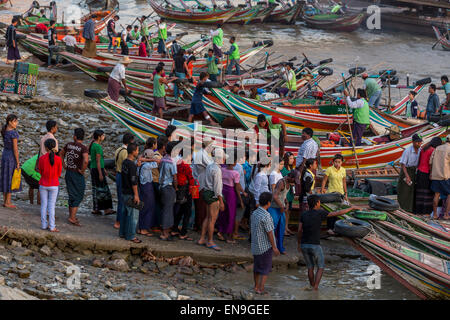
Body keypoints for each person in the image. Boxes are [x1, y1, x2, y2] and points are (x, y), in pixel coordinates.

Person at [298, 195, 356, 290]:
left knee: (310, 267)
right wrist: (351, 208)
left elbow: (299, 230)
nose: (320, 204)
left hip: (304, 244)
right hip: (315, 245)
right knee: (320, 267)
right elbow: (338, 213)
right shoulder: (320, 213)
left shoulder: (303, 214)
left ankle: (311, 285)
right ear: (317, 203)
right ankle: (315, 288)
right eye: (319, 202)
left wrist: (298, 244)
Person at [251, 191, 281, 296]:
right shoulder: (266, 215)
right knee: (265, 269)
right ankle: (261, 288)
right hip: (265, 246)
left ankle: (255, 286)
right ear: (268, 203)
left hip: (255, 246)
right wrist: (274, 247)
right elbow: (270, 233)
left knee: (257, 267)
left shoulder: (254, 213)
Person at [198, 148, 226, 251]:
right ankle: (210, 241)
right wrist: (221, 201)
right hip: (213, 195)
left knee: (207, 217)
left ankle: (202, 238)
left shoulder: (210, 165)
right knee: (212, 220)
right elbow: (217, 188)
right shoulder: (217, 169)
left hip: (207, 192)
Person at [60, 128, 89, 226]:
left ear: (75, 136)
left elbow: (61, 154)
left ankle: (71, 215)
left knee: (71, 193)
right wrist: (82, 170)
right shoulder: (83, 148)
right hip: (77, 173)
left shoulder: (69, 145)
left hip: (69, 172)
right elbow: (85, 160)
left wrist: (64, 165)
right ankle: (72, 217)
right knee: (79, 194)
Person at [268, 171, 298, 255]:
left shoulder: (288, 183)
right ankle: (271, 248)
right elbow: (275, 196)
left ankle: (280, 247)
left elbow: (283, 195)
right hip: (274, 208)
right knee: (272, 229)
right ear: (290, 177)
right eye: (294, 180)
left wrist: (286, 202)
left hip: (281, 209)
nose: (294, 182)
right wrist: (282, 206)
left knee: (281, 229)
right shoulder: (281, 182)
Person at [217, 157, 244, 243]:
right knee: (231, 214)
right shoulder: (235, 173)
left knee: (223, 212)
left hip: (223, 190)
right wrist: (241, 200)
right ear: (234, 163)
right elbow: (237, 188)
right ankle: (229, 236)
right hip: (231, 193)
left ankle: (221, 231)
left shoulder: (222, 170)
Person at [172, 143, 195, 241]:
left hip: (179, 189)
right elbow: (191, 180)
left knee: (180, 210)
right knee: (187, 212)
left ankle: (174, 229)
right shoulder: (187, 166)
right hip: (186, 190)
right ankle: (183, 233)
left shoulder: (178, 163)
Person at [119, 143, 142, 243]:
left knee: (124, 213)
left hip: (124, 191)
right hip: (131, 193)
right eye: (137, 150)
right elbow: (134, 182)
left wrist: (136, 166)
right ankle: (131, 235)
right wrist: (136, 195)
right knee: (133, 215)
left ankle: (123, 232)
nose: (138, 152)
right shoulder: (132, 165)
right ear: (133, 152)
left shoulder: (125, 162)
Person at [89, 129, 115, 215]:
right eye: (103, 135)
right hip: (97, 169)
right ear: (99, 137)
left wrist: (104, 169)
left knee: (96, 189)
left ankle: (96, 209)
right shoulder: (98, 147)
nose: (104, 137)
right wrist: (101, 172)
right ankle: (106, 209)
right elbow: (98, 161)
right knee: (103, 189)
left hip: (94, 169)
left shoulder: (93, 145)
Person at [38, 139, 62, 232]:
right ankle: (52, 226)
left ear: (46, 147)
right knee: (51, 206)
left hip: (43, 183)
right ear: (55, 147)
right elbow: (59, 174)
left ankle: (44, 225)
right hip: (54, 184)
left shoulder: (42, 158)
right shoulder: (58, 159)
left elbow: (40, 171)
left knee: (43, 205)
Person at [415, 137, 442, 215]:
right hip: (427, 173)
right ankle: (426, 212)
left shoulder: (424, 148)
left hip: (420, 172)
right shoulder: (433, 150)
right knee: (428, 193)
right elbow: (431, 163)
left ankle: (418, 211)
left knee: (420, 193)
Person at [113, 133, 135, 229]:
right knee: (123, 200)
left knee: (120, 199)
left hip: (118, 174)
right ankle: (119, 221)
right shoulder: (126, 152)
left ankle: (119, 220)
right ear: (130, 141)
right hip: (122, 176)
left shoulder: (118, 149)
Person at [192, 136, 214, 232]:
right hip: (201, 182)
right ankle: (200, 226)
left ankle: (199, 225)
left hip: (202, 181)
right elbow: (211, 167)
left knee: (202, 207)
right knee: (201, 207)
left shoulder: (203, 153)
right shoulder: (201, 154)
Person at [158, 141, 178, 240]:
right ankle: (165, 233)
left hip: (161, 186)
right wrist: (176, 188)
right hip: (168, 187)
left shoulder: (163, 159)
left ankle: (164, 230)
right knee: (168, 210)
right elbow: (174, 178)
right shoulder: (172, 162)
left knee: (164, 209)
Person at [398, 134, 422, 213]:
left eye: (420, 142)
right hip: (406, 171)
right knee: (404, 191)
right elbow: (403, 164)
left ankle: (410, 209)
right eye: (417, 142)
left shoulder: (420, 150)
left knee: (411, 191)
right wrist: (407, 176)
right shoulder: (407, 151)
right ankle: (402, 209)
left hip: (413, 171)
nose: (419, 144)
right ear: (413, 142)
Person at [0, 114, 20, 209]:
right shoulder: (13, 133)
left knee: (5, 176)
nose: (17, 123)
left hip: (4, 155)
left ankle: (5, 201)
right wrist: (18, 162)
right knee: (10, 177)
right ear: (10, 122)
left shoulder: (4, 131)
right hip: (11, 156)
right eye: (15, 121)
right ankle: (8, 202)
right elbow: (15, 149)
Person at [430, 134, 450, 220]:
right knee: (449, 195)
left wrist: (431, 173)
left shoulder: (437, 148)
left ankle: (435, 215)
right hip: (445, 176)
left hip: (435, 176)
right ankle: (446, 214)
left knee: (436, 195)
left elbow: (430, 162)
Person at [281, 151, 296, 236]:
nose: (292, 160)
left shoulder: (292, 169)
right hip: (285, 193)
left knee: (288, 211)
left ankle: (286, 227)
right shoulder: (283, 169)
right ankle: (283, 229)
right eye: (290, 158)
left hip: (290, 193)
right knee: (285, 211)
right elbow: (282, 180)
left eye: (293, 158)